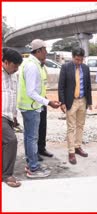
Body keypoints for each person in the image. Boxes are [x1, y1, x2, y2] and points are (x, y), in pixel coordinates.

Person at [17, 39, 61, 178]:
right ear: (39, 50)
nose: (46, 53)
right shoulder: (32, 66)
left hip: (30, 106)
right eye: (45, 50)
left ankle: (31, 163)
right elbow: (31, 92)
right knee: (32, 138)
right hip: (31, 107)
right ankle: (33, 168)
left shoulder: (33, 64)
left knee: (29, 137)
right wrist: (48, 102)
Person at [58, 48, 92, 164]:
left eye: (81, 60)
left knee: (80, 125)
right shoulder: (65, 67)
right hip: (71, 101)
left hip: (83, 100)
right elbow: (61, 86)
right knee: (71, 127)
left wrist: (89, 102)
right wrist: (62, 102)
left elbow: (88, 86)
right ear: (73, 57)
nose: (79, 62)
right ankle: (71, 151)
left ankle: (78, 146)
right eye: (77, 59)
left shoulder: (86, 68)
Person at [2, 48, 23, 187]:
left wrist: (15, 116)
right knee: (11, 141)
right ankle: (7, 175)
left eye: (17, 67)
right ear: (6, 62)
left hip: (9, 116)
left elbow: (13, 95)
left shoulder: (14, 76)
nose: (16, 69)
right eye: (14, 66)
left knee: (4, 144)